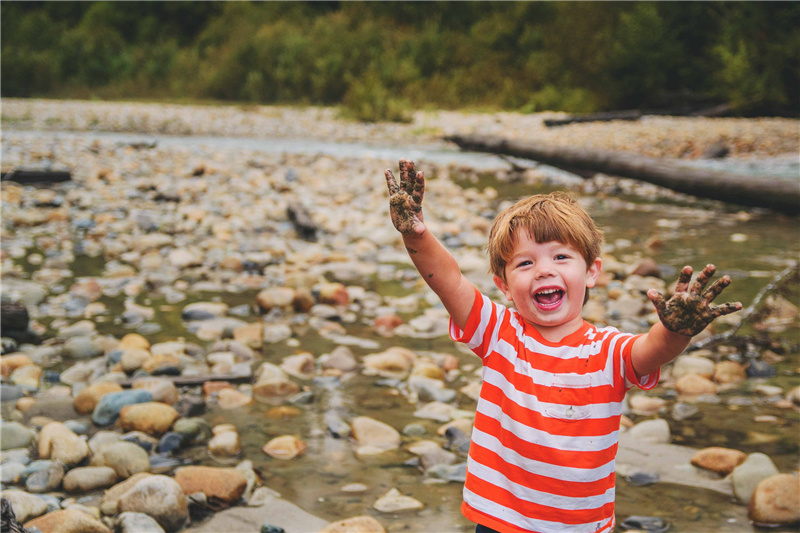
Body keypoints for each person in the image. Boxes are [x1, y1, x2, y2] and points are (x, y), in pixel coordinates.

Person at [384, 159, 742, 533]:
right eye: (524, 263)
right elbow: (450, 281)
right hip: (500, 519)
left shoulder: (607, 350)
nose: (543, 270)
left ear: (591, 271)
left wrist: (675, 331)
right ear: (503, 285)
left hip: (581, 525)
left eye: (560, 257)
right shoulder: (499, 333)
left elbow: (650, 351)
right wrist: (416, 234)